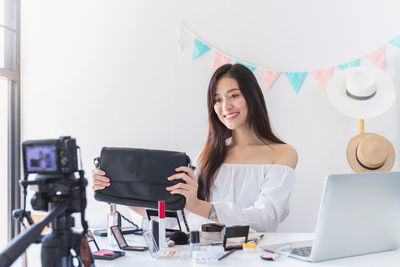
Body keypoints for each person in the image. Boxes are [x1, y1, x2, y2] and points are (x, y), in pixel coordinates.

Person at [92, 63, 297, 232]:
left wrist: (199, 206)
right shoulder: (209, 155)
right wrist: (117, 191)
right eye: (217, 99)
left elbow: (265, 219)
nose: (225, 106)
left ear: (252, 96)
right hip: (205, 255)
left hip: (252, 257)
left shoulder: (282, 154)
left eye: (234, 95)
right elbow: (176, 218)